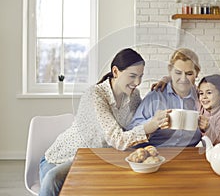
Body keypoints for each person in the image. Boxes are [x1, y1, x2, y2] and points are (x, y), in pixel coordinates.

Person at [38, 48, 169, 196]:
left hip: (98, 158)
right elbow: (117, 138)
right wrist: (148, 128)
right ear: (115, 72)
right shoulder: (94, 95)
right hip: (65, 158)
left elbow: (136, 126)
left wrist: (167, 81)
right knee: (53, 178)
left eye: (140, 76)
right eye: (132, 76)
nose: (137, 82)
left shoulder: (133, 96)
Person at [126, 48, 203, 147]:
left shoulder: (202, 98)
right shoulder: (156, 96)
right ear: (170, 71)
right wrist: (153, 122)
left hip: (191, 154)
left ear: (197, 73)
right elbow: (131, 130)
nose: (183, 79)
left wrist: (207, 127)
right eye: (178, 73)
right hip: (158, 154)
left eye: (189, 74)